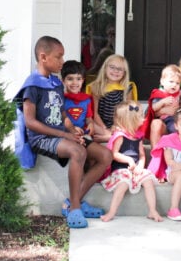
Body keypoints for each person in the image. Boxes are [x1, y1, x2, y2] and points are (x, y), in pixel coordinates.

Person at [17, 36, 111, 229]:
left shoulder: (55, 83)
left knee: (105, 155)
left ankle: (72, 202)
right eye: (58, 57)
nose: (62, 62)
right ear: (43, 57)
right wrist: (65, 135)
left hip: (62, 135)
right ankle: (75, 209)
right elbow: (30, 122)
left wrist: (72, 129)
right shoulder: (32, 85)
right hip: (42, 138)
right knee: (78, 152)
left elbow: (62, 113)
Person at [99, 102, 163, 222]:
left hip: (135, 168)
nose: (143, 119)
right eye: (140, 117)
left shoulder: (138, 136)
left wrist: (140, 166)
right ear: (130, 121)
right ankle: (112, 212)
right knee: (123, 183)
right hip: (120, 169)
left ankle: (152, 210)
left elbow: (142, 155)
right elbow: (114, 154)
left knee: (148, 180)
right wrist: (128, 160)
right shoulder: (120, 136)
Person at [86, 54, 138, 143]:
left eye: (120, 69)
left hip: (120, 123)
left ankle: (109, 137)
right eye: (112, 67)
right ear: (105, 68)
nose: (115, 71)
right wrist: (105, 129)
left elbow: (128, 112)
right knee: (91, 125)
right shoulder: (96, 87)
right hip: (101, 124)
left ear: (124, 72)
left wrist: (118, 126)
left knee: (133, 124)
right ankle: (112, 136)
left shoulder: (127, 87)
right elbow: (95, 114)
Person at [145, 63, 181, 147]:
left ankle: (177, 149)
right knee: (173, 128)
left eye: (177, 83)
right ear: (162, 81)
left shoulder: (180, 94)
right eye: (171, 81)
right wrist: (162, 102)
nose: (174, 85)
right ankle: (156, 153)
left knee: (178, 127)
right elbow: (153, 108)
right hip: (163, 121)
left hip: (175, 119)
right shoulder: (158, 94)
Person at [61, 60, 92, 140]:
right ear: (63, 80)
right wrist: (72, 129)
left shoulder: (87, 99)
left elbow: (88, 118)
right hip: (66, 134)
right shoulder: (61, 99)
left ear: (83, 80)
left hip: (82, 133)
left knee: (88, 140)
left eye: (78, 79)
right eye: (70, 79)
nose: (74, 82)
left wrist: (91, 124)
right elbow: (59, 121)